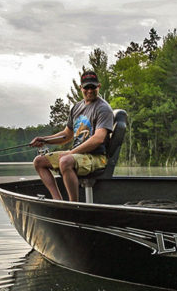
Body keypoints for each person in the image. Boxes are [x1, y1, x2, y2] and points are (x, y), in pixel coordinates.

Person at [30, 71, 117, 202]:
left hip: (97, 157)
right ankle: (58, 201)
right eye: (86, 87)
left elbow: (98, 139)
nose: (89, 90)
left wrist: (70, 153)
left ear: (98, 86)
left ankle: (73, 205)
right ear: (81, 88)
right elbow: (67, 135)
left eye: (93, 87)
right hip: (77, 155)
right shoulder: (77, 107)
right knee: (39, 161)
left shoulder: (103, 108)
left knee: (65, 161)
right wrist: (44, 140)